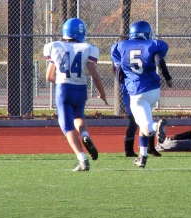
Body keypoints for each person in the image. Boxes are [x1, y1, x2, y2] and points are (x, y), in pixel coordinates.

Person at [44, 18, 108, 171]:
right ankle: (85, 134)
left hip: (63, 89)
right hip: (80, 88)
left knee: (67, 128)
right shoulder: (87, 48)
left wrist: (60, 81)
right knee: (78, 117)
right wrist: (103, 94)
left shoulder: (55, 46)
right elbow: (96, 76)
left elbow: (48, 76)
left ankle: (82, 159)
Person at [110, 20, 172, 169]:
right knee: (144, 122)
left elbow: (117, 70)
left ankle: (157, 126)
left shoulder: (120, 46)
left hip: (137, 92)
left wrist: (122, 82)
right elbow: (159, 61)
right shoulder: (152, 45)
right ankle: (142, 156)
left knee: (146, 125)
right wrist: (168, 78)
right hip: (154, 90)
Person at [116, 65, 163, 159]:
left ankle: (150, 147)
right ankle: (128, 149)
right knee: (134, 121)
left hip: (138, 88)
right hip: (130, 90)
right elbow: (116, 70)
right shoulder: (120, 53)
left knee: (146, 119)